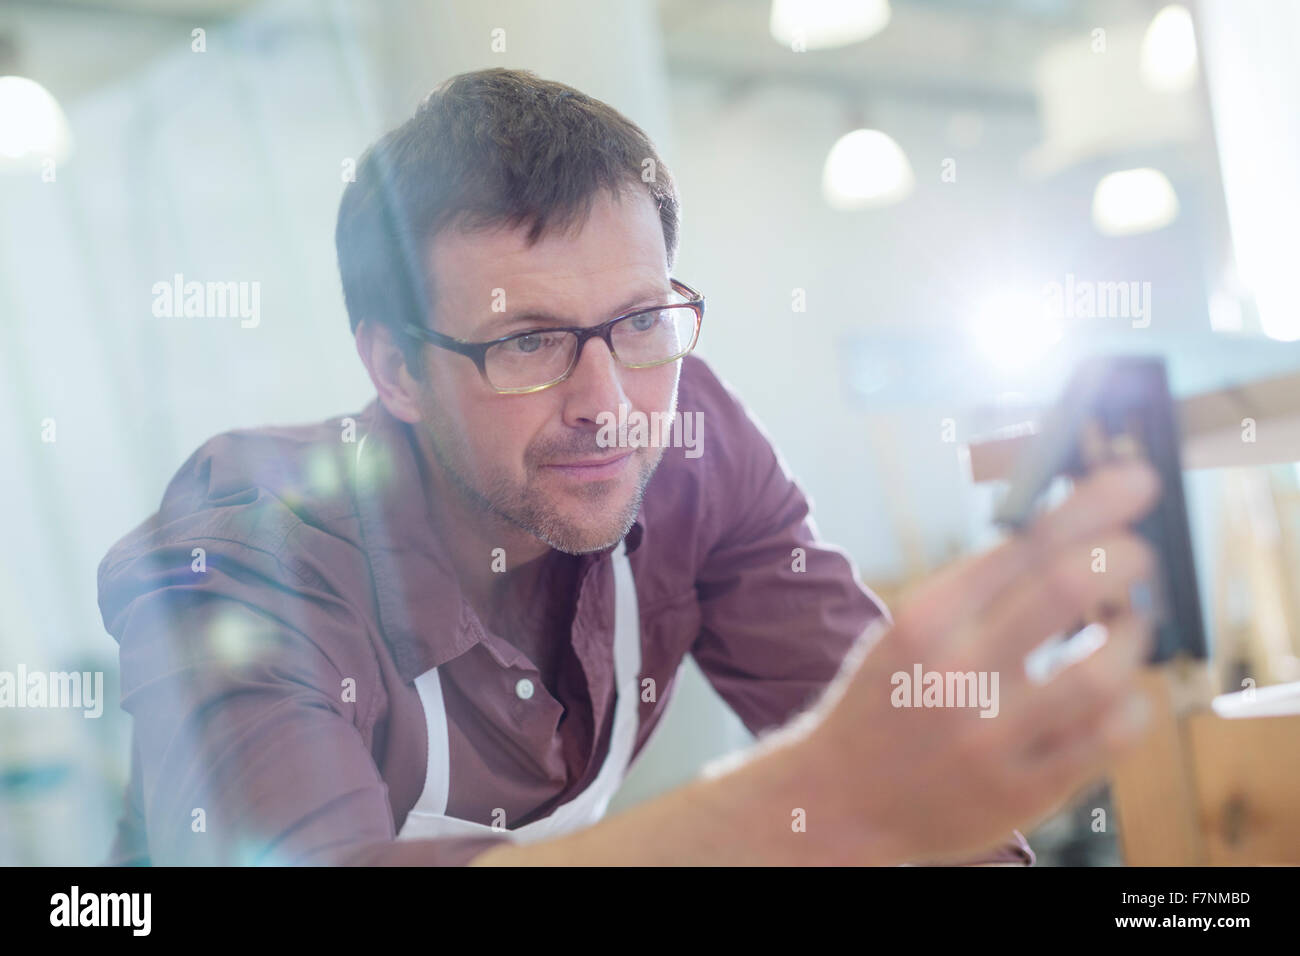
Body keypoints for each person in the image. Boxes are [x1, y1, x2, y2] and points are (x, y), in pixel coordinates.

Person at [97, 67, 1158, 866]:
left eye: (641, 320)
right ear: (396, 369)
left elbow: (919, 784)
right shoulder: (242, 562)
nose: (607, 406)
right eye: (527, 342)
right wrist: (832, 793)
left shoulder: (690, 444)